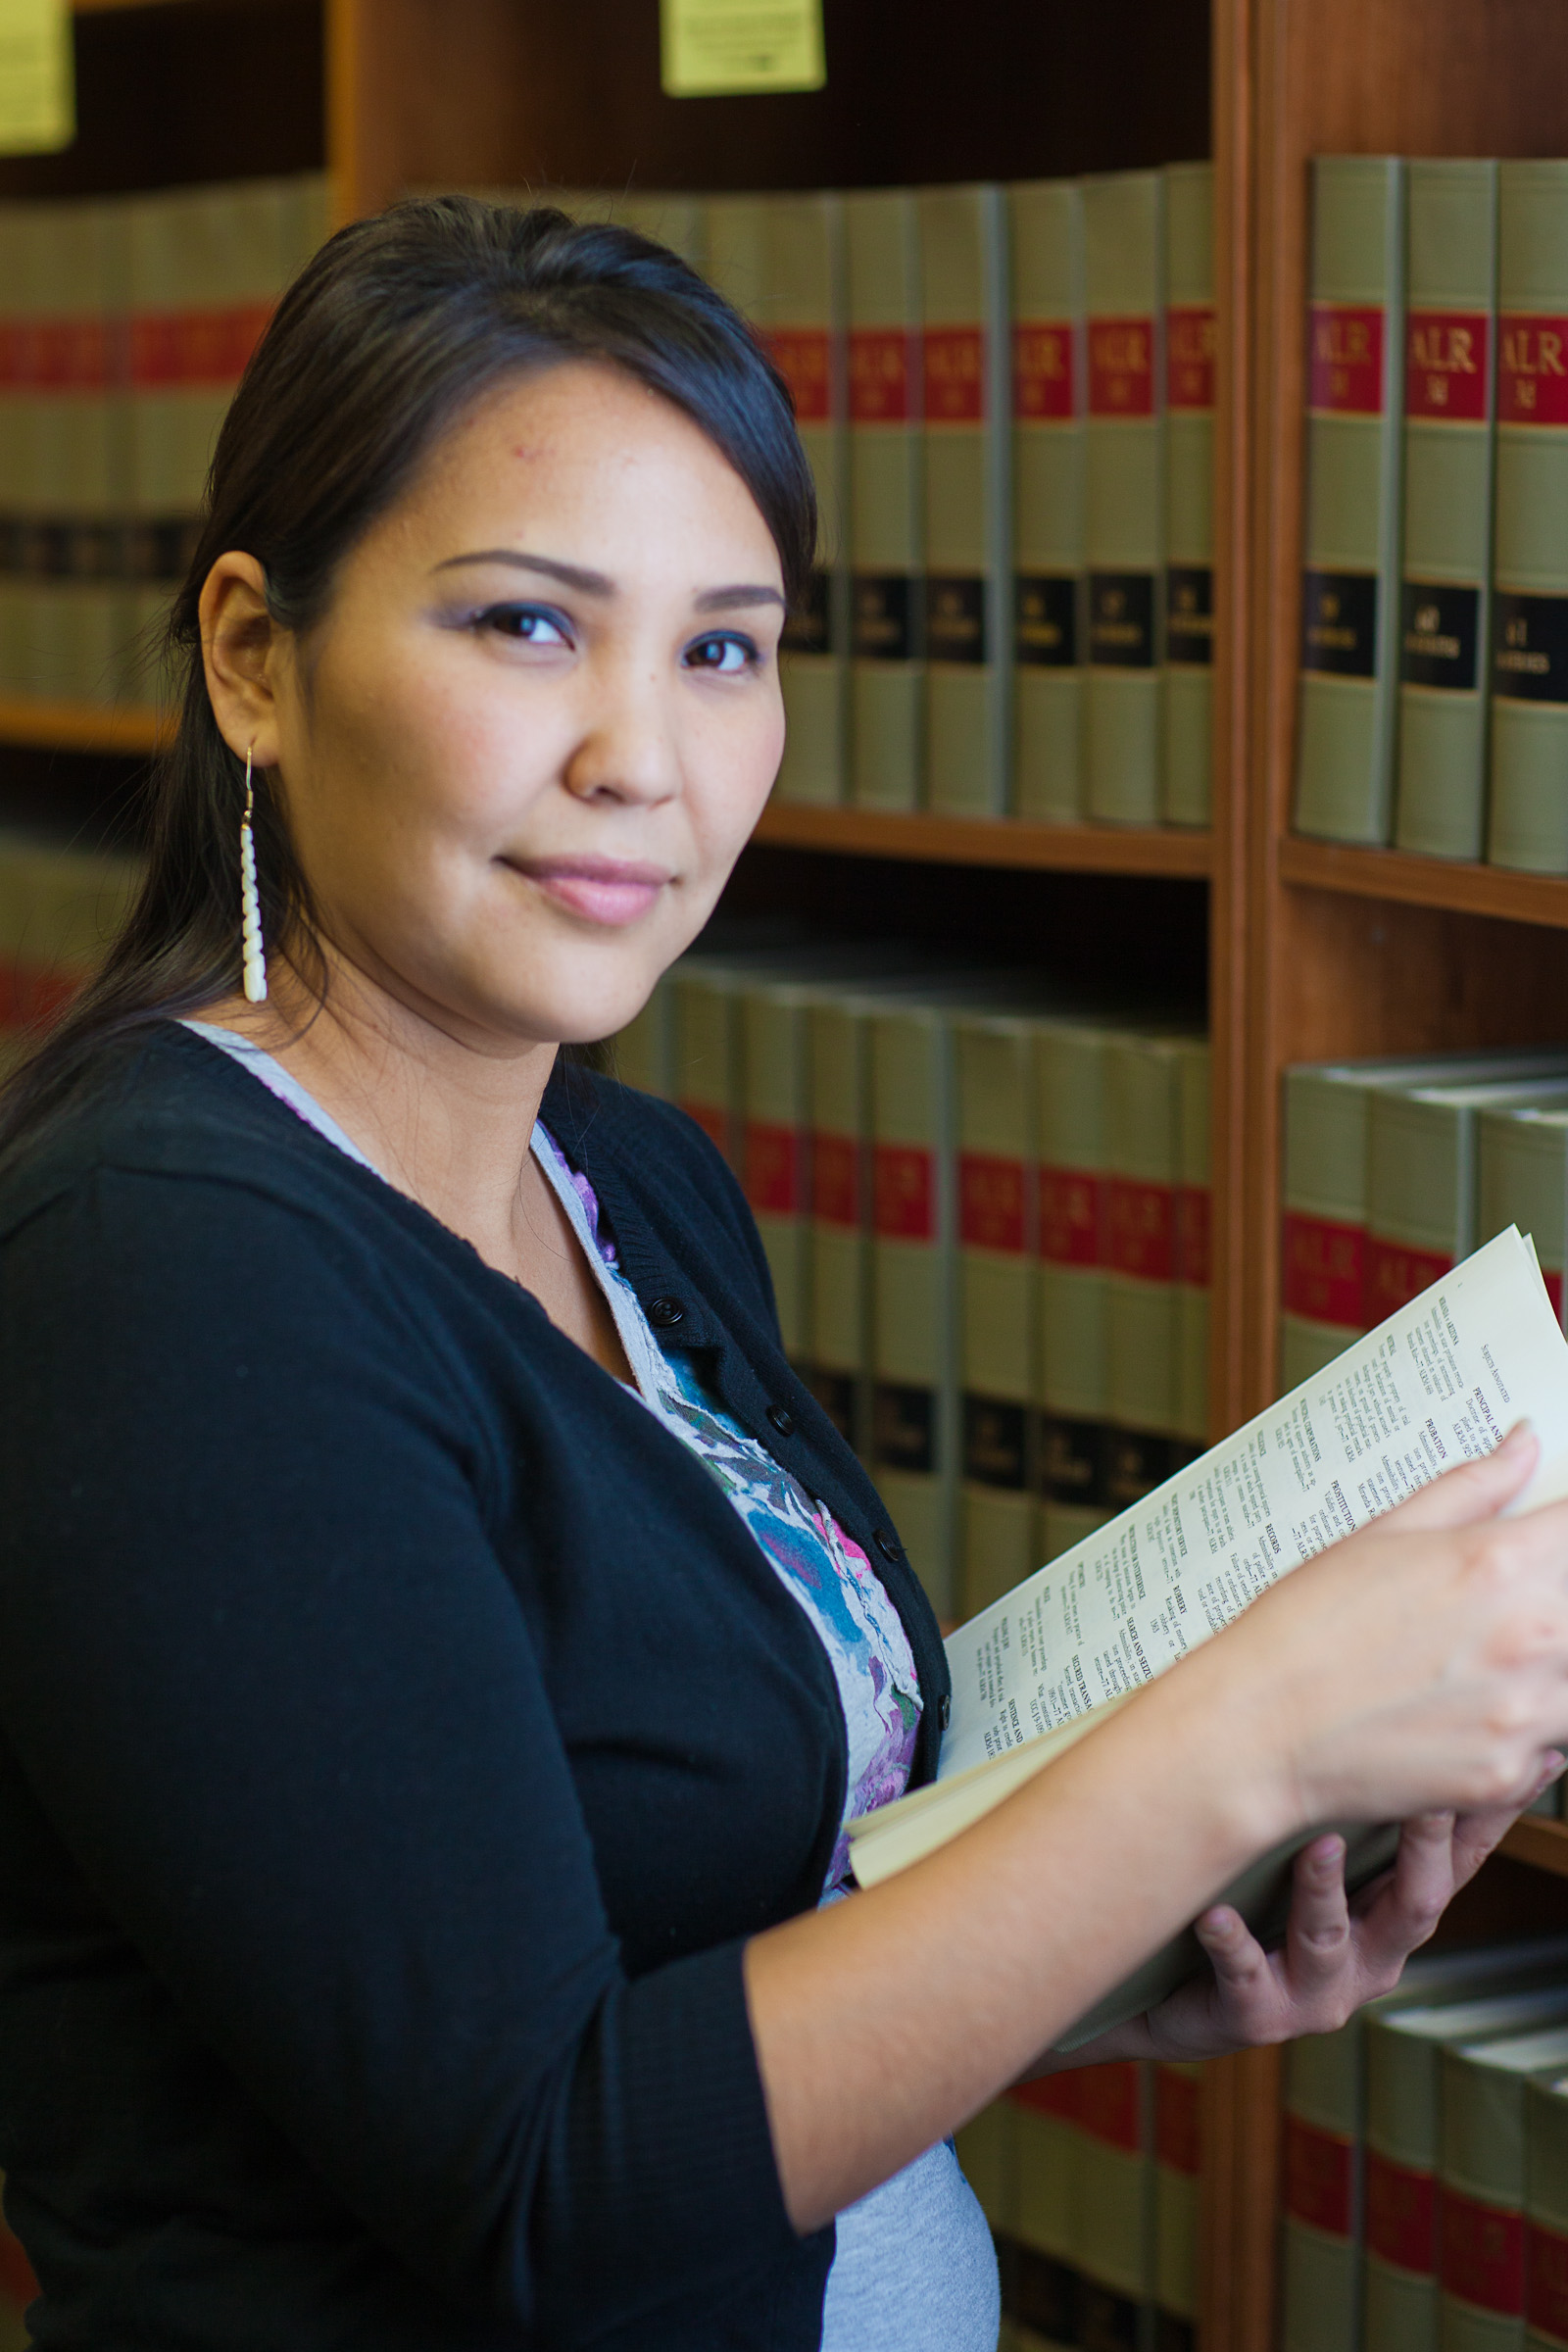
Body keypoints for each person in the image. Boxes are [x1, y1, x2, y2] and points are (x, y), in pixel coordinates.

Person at [1, 197, 1566, 2352]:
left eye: (721, 647)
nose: (641, 756)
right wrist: (1244, 1741)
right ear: (252, 658)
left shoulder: (621, 1176)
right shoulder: (161, 1272)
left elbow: (705, 1952)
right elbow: (543, 2183)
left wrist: (1119, 1972)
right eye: (528, 628)